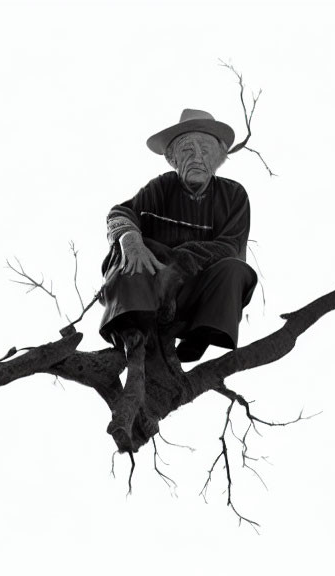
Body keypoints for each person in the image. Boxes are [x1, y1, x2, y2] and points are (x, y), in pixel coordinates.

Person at [98, 109, 258, 446]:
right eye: (187, 150)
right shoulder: (160, 188)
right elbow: (120, 213)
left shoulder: (234, 196)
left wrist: (181, 262)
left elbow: (230, 246)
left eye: (206, 150)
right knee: (132, 256)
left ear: (219, 158)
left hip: (192, 293)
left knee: (235, 269)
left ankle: (200, 333)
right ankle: (133, 335)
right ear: (172, 158)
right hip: (148, 288)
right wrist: (129, 238)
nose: (197, 157)